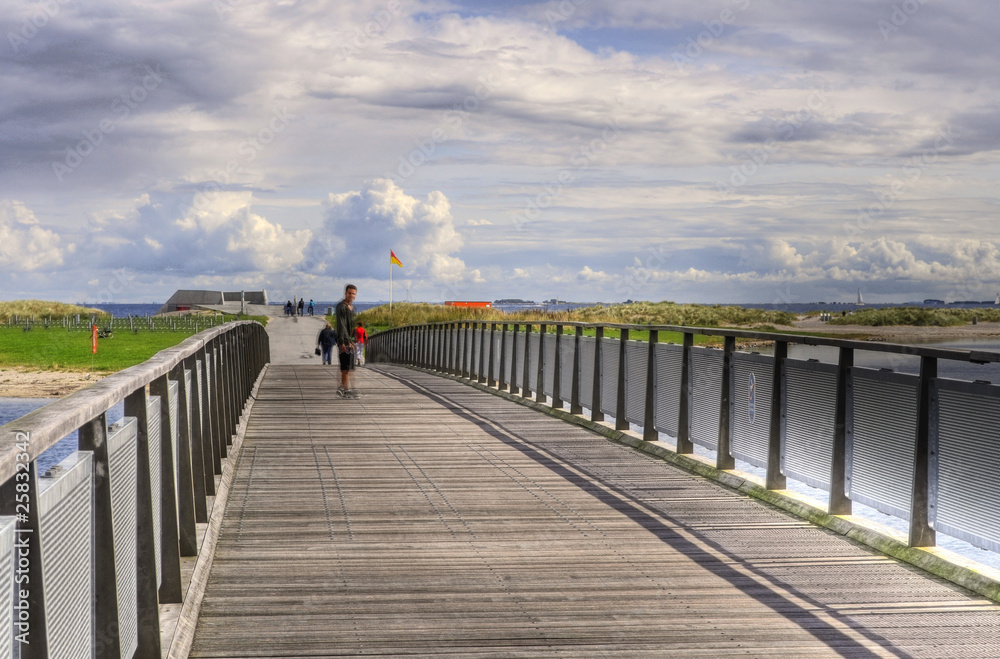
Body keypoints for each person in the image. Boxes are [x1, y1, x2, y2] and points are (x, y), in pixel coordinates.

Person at [335, 284, 359, 398]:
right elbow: (342, 325)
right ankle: (345, 390)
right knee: (345, 368)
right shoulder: (342, 307)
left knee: (349, 368)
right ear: (345, 293)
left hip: (349, 341)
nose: (351, 295)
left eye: (353, 293)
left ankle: (345, 389)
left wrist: (353, 340)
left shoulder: (352, 307)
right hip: (344, 342)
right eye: (349, 293)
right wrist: (344, 342)